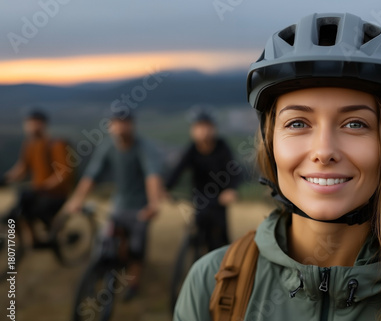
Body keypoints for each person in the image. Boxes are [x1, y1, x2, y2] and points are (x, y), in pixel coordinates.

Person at [171, 13, 381, 321]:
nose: (324, 151)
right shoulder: (212, 286)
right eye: (298, 123)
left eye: (355, 124)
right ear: (270, 146)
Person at [64, 110, 163, 300]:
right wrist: (77, 200)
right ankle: (99, 274)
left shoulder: (143, 147)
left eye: (124, 122)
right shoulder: (108, 147)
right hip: (118, 204)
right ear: (110, 126)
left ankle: (133, 284)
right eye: (116, 122)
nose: (120, 127)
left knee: (136, 248)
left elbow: (152, 175)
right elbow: (91, 176)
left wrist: (153, 204)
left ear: (132, 125)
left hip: (140, 207)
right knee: (104, 240)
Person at [165, 107, 240, 252]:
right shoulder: (192, 149)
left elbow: (234, 171)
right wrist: (166, 188)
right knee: (197, 231)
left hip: (219, 200)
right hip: (199, 198)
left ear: (213, 128)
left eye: (206, 126)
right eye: (199, 127)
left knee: (220, 239)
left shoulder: (222, 147)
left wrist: (231, 190)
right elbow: (178, 171)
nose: (203, 131)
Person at [2, 109, 74, 245]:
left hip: (55, 194)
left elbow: (63, 173)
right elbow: (22, 168)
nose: (32, 127)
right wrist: (5, 179)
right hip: (38, 192)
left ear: (44, 124)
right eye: (29, 123)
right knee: (15, 213)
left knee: (33, 211)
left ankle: (50, 236)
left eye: (36, 123)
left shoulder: (56, 144)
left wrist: (44, 185)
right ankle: (30, 242)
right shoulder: (29, 145)